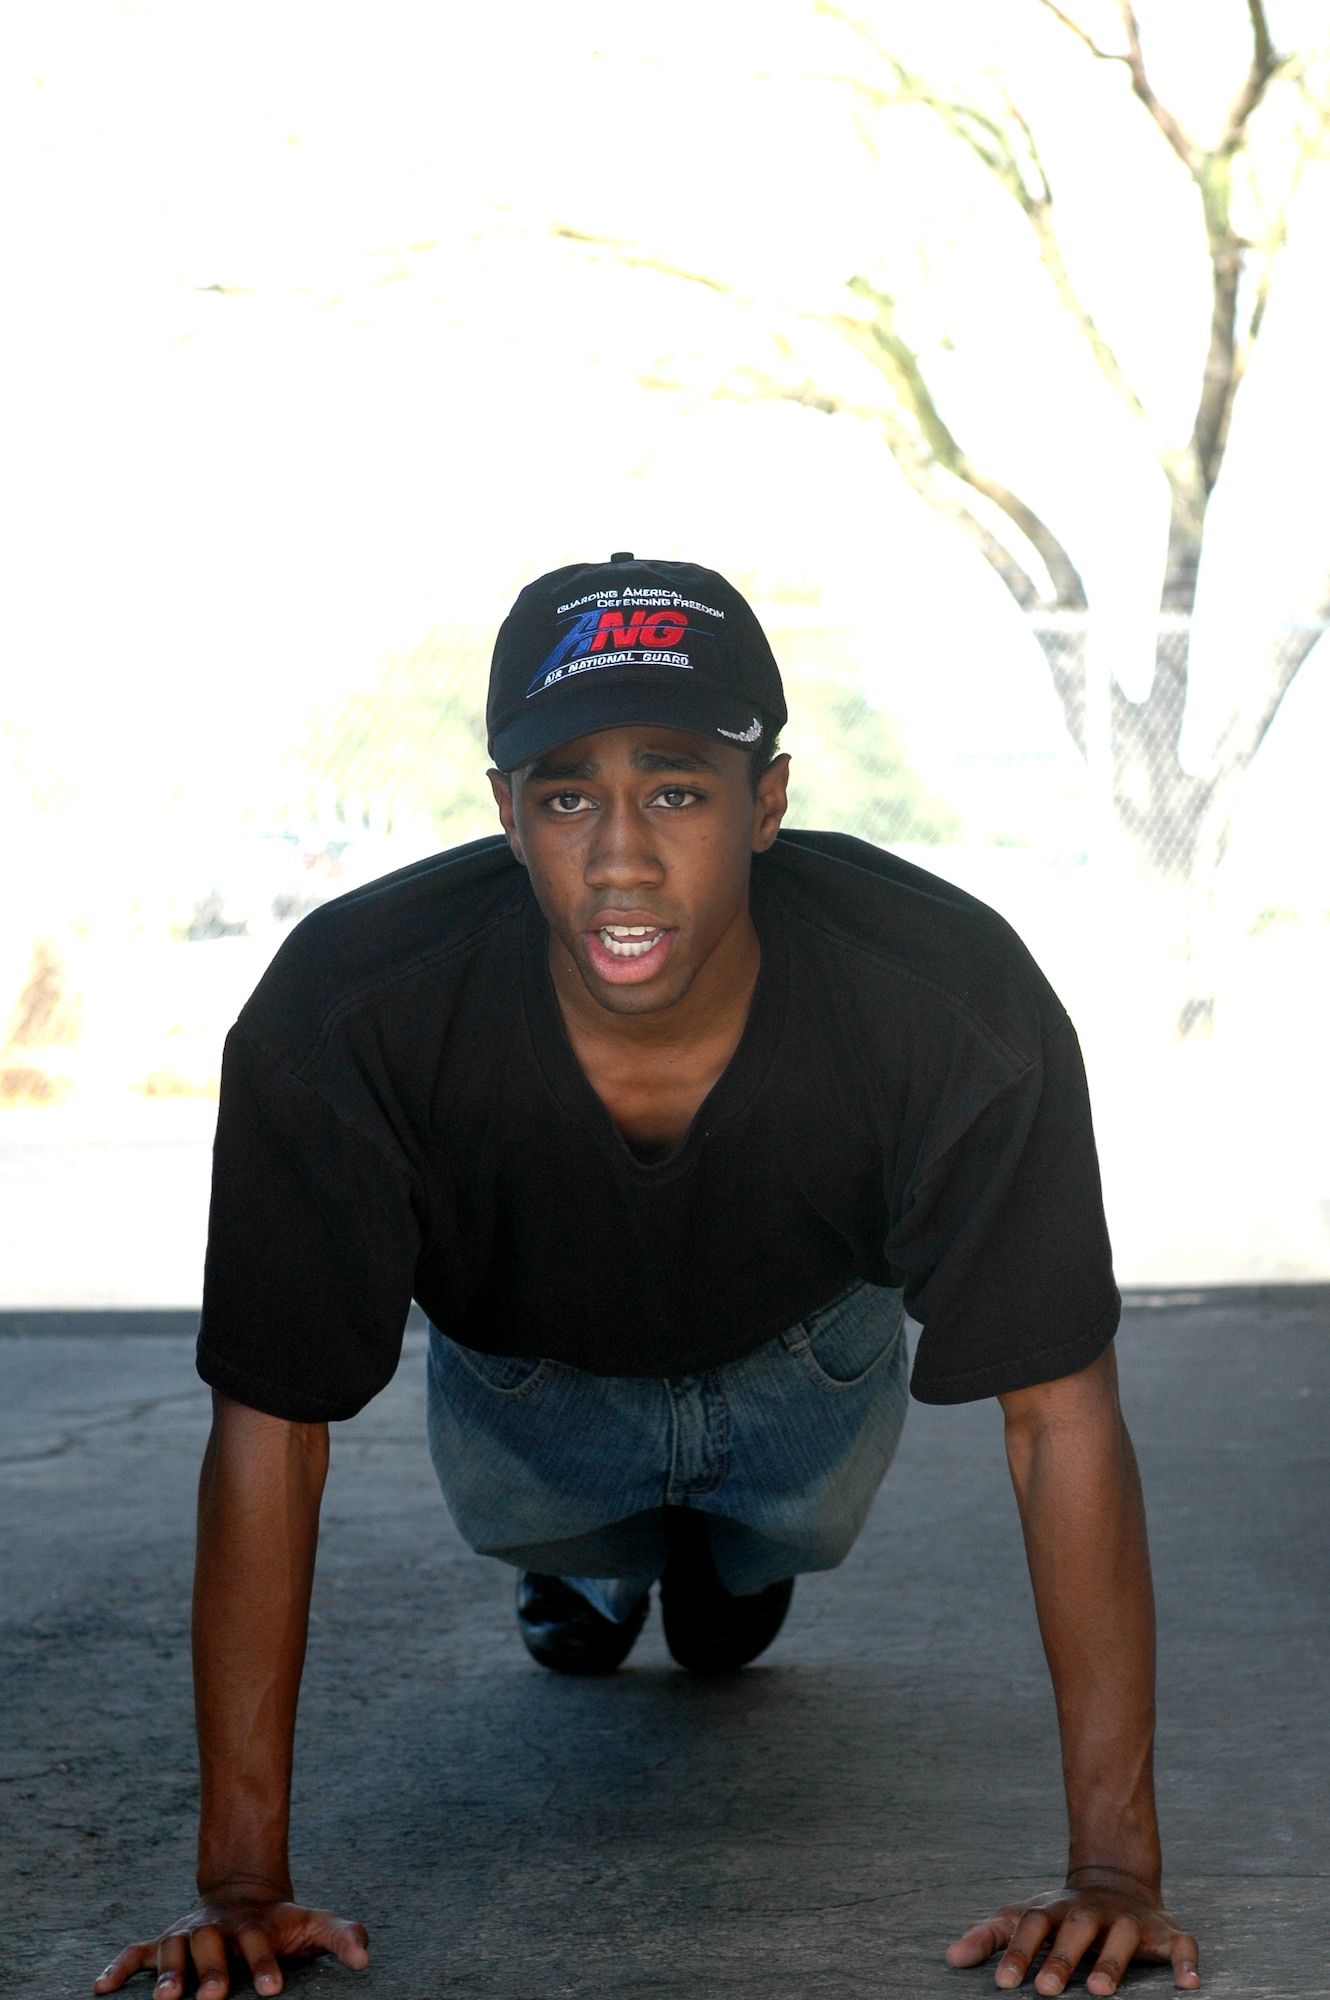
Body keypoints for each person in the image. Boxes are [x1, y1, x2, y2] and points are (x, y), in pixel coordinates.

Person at [95, 555, 1200, 1999]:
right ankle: (599, 1572)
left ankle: (721, 1574)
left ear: (768, 801)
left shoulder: (948, 999)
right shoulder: (346, 1014)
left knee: (744, 1569)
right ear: (505, 814)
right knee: (582, 1557)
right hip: (530, 1406)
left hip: (807, 1394)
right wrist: (241, 1885)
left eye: (675, 787)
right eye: (566, 796)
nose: (619, 855)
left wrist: (1114, 1871)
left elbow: (1058, 1414)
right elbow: (270, 1428)